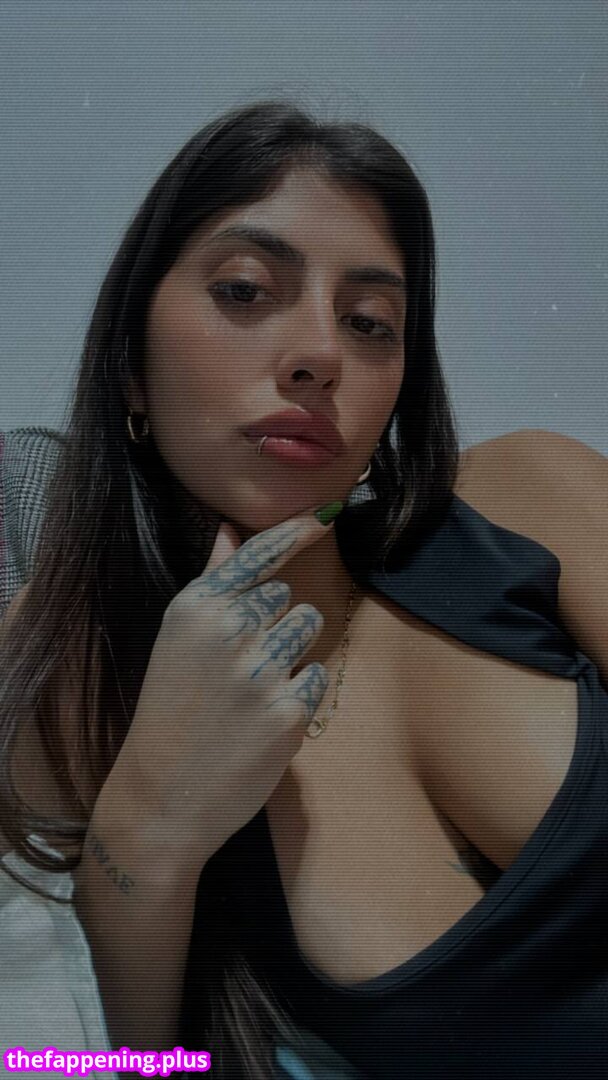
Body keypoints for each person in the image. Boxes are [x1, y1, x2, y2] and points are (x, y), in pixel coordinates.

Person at [0, 98, 606, 1080]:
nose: (321, 354)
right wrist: (152, 816)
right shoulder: (65, 662)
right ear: (131, 369)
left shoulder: (528, 498)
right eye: (245, 291)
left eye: (369, 323)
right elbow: (128, 1059)